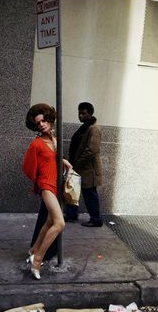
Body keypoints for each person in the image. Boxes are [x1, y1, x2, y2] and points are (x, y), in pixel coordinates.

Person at [23, 103, 72, 279]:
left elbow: (55, 158)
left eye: (43, 120)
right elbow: (27, 167)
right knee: (60, 223)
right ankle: (38, 259)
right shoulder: (36, 144)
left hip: (56, 184)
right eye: (38, 123)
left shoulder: (54, 139)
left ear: (50, 119)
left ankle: (33, 249)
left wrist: (65, 162)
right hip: (46, 185)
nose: (42, 124)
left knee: (49, 221)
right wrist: (39, 181)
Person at [65, 102, 103, 227]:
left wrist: (78, 163)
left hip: (88, 169)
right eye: (79, 113)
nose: (80, 115)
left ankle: (96, 219)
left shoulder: (93, 128)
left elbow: (91, 150)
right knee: (73, 190)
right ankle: (71, 215)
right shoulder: (85, 127)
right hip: (78, 167)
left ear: (90, 114)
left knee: (90, 194)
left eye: (83, 113)